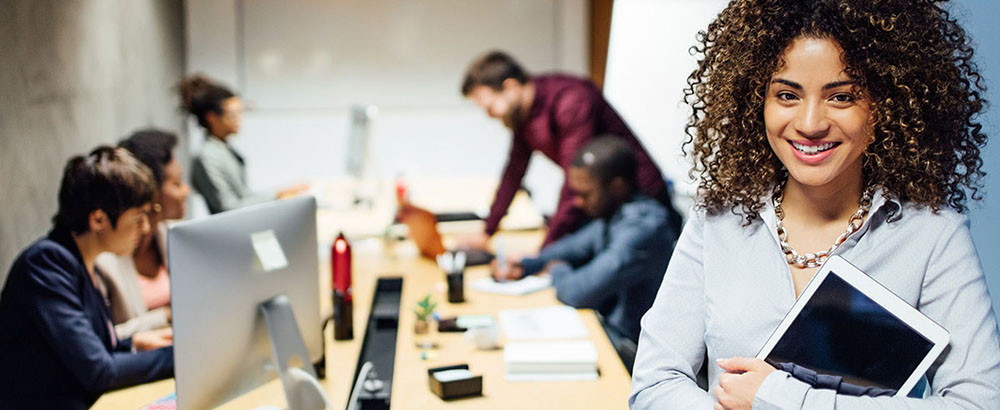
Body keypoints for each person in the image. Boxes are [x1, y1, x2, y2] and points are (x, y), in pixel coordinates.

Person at [630, 0, 1000, 408]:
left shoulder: (932, 235)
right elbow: (654, 384)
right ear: (757, 103)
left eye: (841, 97)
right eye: (787, 95)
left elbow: (978, 403)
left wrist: (780, 399)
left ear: (887, 105)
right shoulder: (716, 222)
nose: (809, 124)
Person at [0, 147, 175, 409]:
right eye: (138, 218)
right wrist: (181, 355)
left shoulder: (79, 261)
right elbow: (99, 370)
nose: (146, 228)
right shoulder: (46, 263)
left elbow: (90, 350)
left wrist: (134, 344)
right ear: (98, 219)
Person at [460, 51, 682, 249]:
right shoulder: (523, 117)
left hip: (641, 199)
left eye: (490, 107)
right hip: (605, 203)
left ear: (510, 87)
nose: (490, 115)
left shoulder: (570, 100)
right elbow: (513, 172)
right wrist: (487, 231)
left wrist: (545, 251)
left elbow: (574, 182)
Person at [492, 137, 676, 369]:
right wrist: (528, 264)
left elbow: (578, 292)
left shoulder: (643, 229)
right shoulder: (615, 214)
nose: (578, 202)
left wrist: (557, 268)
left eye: (586, 194)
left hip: (637, 355)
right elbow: (571, 247)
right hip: (613, 338)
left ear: (617, 187)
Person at [95, 129, 189, 339]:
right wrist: (165, 316)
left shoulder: (172, 236)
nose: (186, 191)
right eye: (176, 184)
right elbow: (103, 339)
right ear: (150, 192)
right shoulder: (104, 259)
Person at [179, 74, 305, 214]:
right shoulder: (207, 156)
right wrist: (277, 196)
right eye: (232, 115)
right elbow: (228, 207)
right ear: (212, 117)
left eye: (239, 114)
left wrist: (280, 193)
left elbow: (244, 196)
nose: (239, 120)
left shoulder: (222, 148)